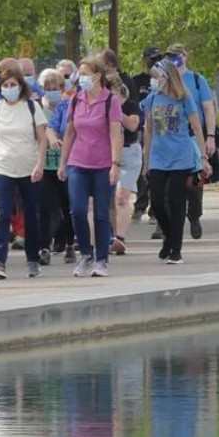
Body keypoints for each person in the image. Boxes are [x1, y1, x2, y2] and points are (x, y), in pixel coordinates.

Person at [0, 64, 48, 279]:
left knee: (31, 214)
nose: (9, 88)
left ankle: (33, 258)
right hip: (3, 166)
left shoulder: (32, 107)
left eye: (13, 85)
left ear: (21, 86)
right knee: (3, 214)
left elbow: (42, 138)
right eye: (5, 85)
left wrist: (39, 164)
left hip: (28, 167)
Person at [57, 57, 124, 277]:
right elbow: (70, 132)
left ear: (97, 76)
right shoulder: (76, 99)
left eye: (85, 74)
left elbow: (115, 134)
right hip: (78, 161)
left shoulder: (109, 101)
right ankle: (85, 253)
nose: (81, 78)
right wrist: (63, 162)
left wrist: (115, 163)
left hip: (102, 163)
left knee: (101, 213)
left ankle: (101, 259)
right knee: (76, 210)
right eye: (80, 74)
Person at [141, 60, 210, 263]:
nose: (154, 81)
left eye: (157, 77)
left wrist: (204, 156)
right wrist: (147, 161)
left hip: (180, 156)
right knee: (157, 201)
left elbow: (197, 128)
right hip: (158, 158)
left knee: (176, 201)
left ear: (167, 76)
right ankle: (169, 237)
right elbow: (149, 130)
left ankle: (175, 249)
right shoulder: (153, 99)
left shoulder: (184, 97)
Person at [164, 43, 217, 239]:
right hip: (168, 137)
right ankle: (166, 224)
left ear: (185, 56)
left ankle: (194, 215)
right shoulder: (164, 80)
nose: (174, 60)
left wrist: (210, 136)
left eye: (177, 56)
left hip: (192, 135)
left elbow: (208, 109)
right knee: (167, 183)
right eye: (170, 56)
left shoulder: (196, 80)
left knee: (193, 182)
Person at [38, 68, 76, 264]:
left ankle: (69, 243)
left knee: (66, 207)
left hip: (65, 164)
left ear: (62, 88)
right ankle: (44, 246)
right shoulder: (38, 108)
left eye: (55, 88)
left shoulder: (68, 106)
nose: (51, 91)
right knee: (44, 207)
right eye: (48, 88)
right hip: (45, 165)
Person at [111, 76, 142, 255]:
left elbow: (132, 125)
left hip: (129, 153)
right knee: (110, 199)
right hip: (109, 154)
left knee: (122, 196)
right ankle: (110, 235)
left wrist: (116, 112)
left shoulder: (131, 106)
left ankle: (120, 238)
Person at [131, 46, 162, 223]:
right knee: (142, 169)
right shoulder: (138, 81)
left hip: (160, 129)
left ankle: (155, 211)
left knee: (156, 170)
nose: (155, 62)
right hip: (142, 129)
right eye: (152, 58)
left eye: (158, 58)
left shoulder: (165, 80)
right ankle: (141, 203)